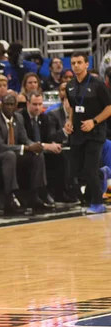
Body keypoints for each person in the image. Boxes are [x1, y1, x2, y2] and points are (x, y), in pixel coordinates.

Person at [65, 51, 111, 214]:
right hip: (77, 134)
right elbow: (71, 107)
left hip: (95, 133)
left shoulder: (97, 84)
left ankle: (97, 203)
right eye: (73, 63)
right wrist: (69, 122)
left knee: (89, 169)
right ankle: (102, 173)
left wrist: (94, 121)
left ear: (86, 64)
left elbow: (109, 107)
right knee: (76, 170)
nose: (76, 65)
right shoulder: (70, 85)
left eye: (79, 62)